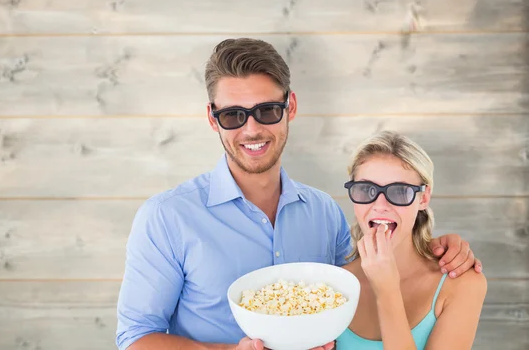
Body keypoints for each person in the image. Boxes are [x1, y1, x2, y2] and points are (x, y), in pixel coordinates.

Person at [115, 38, 483, 350]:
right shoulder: (168, 216)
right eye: (233, 116)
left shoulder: (324, 213)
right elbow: (135, 337)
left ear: (290, 107)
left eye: (268, 110)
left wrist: (438, 244)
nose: (252, 129)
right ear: (213, 119)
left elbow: (355, 294)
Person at [335, 131, 487, 349]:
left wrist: (387, 292)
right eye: (366, 189)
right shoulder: (331, 284)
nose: (380, 205)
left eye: (399, 191)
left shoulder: (462, 282)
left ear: (423, 198)